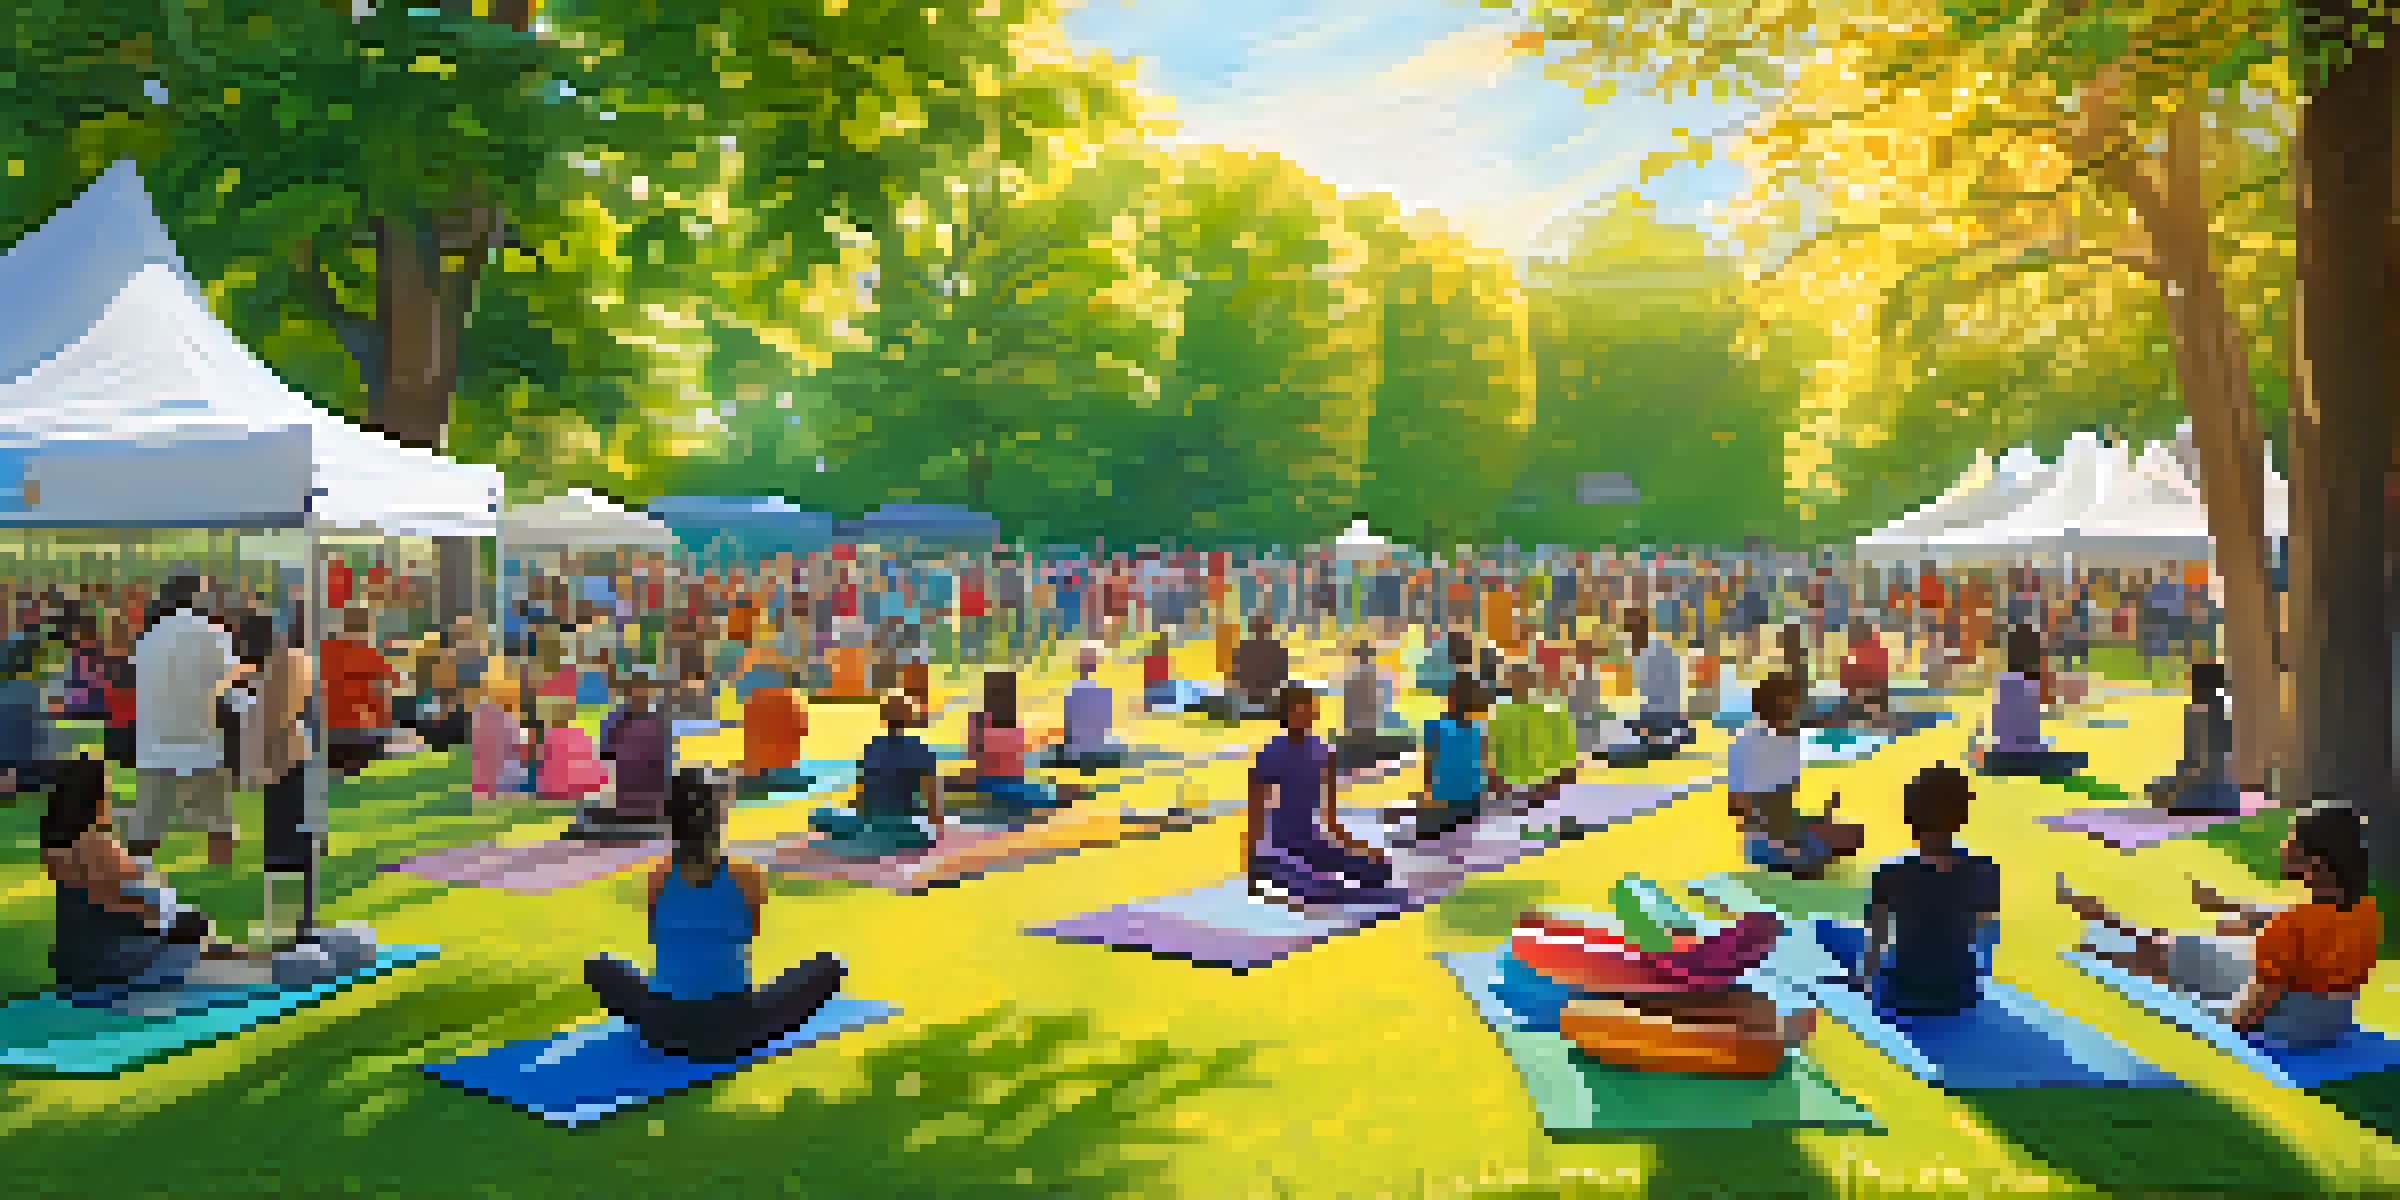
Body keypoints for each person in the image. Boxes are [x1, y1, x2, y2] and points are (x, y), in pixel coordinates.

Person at [2059, 804, 2379, 1049]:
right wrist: (2232, 908)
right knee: (2224, 931)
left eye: (2292, 841)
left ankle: (2102, 947)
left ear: (2315, 864)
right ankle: (2109, 926)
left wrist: (2207, 1021)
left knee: (2169, 955)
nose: (2283, 845)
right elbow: (2305, 933)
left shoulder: (2289, 927)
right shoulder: (2365, 909)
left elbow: (2255, 1007)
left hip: (2283, 1027)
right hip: (2331, 1022)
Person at [583, 769, 848, 1063]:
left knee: (598, 965)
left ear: (672, 821)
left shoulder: (658, 875)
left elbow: (656, 935)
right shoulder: (746, 874)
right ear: (718, 817)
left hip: (662, 1027)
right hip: (732, 1029)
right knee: (830, 966)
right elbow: (750, 934)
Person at [1856, 763, 2000, 1017]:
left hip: (1904, 994)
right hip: (1960, 994)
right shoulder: (1986, 870)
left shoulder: (1889, 873)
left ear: (1909, 816)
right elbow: (1984, 939)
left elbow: (1875, 945)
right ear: (1962, 817)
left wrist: (1862, 983)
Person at [1247, 685, 1408, 910]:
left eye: (1308, 707)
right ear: (1285, 713)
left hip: (1313, 842)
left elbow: (1330, 821)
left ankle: (1317, 877)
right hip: (1280, 849)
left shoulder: (1324, 752)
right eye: (1297, 708)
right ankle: (1284, 875)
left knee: (1379, 869)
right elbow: (1254, 817)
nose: (1305, 713)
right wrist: (1253, 867)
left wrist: (1364, 849)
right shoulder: (1268, 755)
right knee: (1322, 890)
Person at [128, 575, 246, 867]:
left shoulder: (150, 634)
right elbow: (229, 680)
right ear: (197, 596)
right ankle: (221, 873)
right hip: (201, 739)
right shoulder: (212, 631)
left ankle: (136, 874)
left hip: (155, 741)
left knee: (146, 824)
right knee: (218, 821)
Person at [1729, 675, 1863, 878]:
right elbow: (1738, 808)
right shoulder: (1746, 744)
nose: (1795, 712)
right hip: (1765, 841)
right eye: (1789, 706)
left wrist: (1820, 818)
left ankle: (1805, 854)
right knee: (1814, 856)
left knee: (1853, 834)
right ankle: (1797, 858)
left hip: (1790, 829)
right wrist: (1781, 839)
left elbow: (1787, 800)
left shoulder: (1791, 739)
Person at [812, 693, 943, 858]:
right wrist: (937, 828)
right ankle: (876, 837)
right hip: (896, 825)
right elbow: (932, 797)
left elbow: (859, 797)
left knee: (821, 816)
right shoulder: (920, 749)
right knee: (919, 837)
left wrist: (855, 818)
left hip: (875, 823)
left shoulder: (872, 747)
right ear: (909, 717)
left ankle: (866, 836)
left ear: (884, 716)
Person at [1974, 626, 2088, 777]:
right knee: (2077, 760)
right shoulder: (2030, 685)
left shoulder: (2005, 680)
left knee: (2054, 750)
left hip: (2000, 754)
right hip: (2022, 757)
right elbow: (2026, 739)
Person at [952, 670, 1052, 819]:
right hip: (1004, 784)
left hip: (995, 784)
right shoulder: (1015, 725)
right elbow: (1016, 762)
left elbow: (974, 756)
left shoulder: (980, 721)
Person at [1404, 676, 1491, 845]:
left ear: (1450, 700)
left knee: (1426, 838)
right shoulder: (1478, 731)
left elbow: (1429, 770)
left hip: (1443, 802)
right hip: (1470, 803)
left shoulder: (1435, 727)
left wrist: (1424, 797)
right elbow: (1482, 769)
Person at [2146, 662, 2239, 814]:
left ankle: (2195, 804)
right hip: (2197, 776)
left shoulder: (2213, 714)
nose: (2191, 688)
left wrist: (2180, 783)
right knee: (2158, 789)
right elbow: (2190, 756)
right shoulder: (2200, 712)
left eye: (2194, 684)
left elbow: (2206, 762)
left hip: (2207, 783)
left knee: (2165, 793)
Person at [321, 606, 397, 778]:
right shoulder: (372, 657)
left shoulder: (325, 651)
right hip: (361, 735)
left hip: (328, 735)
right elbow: (384, 696)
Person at [598, 671, 672, 826]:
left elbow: (664, 762)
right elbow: (605, 756)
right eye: (636, 689)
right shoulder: (617, 719)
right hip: (624, 797)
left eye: (644, 689)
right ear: (628, 692)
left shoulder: (658, 722)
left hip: (652, 799)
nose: (640, 693)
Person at [1331, 639, 1413, 773]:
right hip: (1366, 729)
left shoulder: (1352, 679)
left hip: (1361, 730)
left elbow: (1350, 710)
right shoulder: (1368, 679)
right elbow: (1382, 708)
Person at [1047, 642, 1128, 770]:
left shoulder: (1072, 691)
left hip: (1076, 751)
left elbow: (1069, 726)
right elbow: (1106, 726)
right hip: (1094, 750)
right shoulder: (1104, 693)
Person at [1625, 610, 1690, 756]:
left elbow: (1664, 694)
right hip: (1660, 716)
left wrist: (1647, 726)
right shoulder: (1644, 652)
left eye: (1631, 630)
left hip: (1664, 717)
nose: (1629, 636)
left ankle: (1666, 739)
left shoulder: (1655, 652)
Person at [1228, 613, 1291, 720]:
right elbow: (1236, 670)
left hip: (1265, 692)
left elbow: (1282, 671)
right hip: (1253, 692)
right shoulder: (1246, 647)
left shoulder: (1273, 647)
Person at [1836, 622, 1896, 732]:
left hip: (1862, 687)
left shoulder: (1854, 650)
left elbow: (1847, 671)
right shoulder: (1880, 650)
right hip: (1875, 687)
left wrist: (1846, 684)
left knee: (1861, 716)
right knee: (1875, 715)